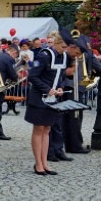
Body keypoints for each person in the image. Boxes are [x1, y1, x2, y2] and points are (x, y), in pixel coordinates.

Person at [25, 30, 70, 176]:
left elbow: (61, 75)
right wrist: (47, 89)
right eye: (63, 47)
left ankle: (45, 162)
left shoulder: (63, 56)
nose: (65, 50)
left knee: (47, 130)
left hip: (53, 98)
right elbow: (32, 76)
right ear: (56, 44)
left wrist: (60, 87)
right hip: (39, 98)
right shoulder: (43, 56)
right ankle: (38, 163)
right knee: (39, 129)